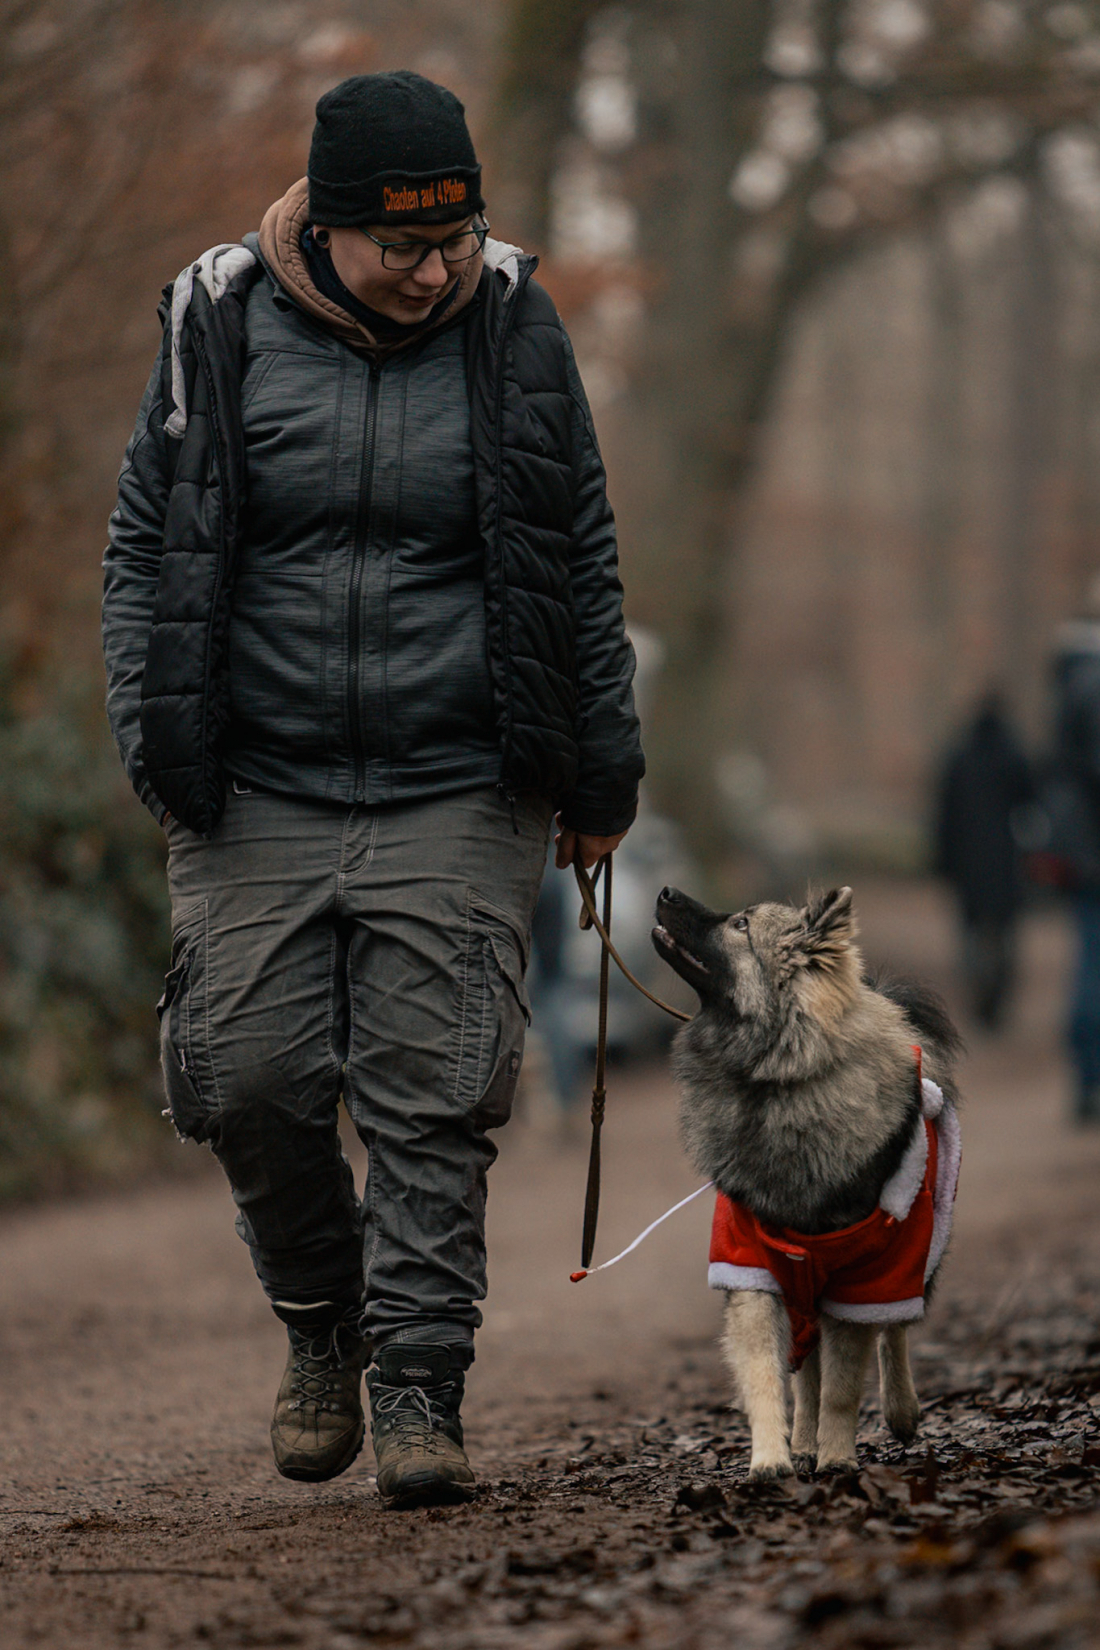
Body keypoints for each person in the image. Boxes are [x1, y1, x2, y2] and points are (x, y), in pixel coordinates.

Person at [102, 71, 644, 1509]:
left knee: (432, 1083)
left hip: (461, 772)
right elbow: (143, 547)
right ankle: (322, 1322)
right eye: (404, 244)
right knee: (248, 1078)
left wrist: (600, 768)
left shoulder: (519, 327)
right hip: (255, 774)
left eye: (456, 235)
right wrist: (153, 739)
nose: (436, 266)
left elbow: (577, 552)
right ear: (327, 229)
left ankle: (418, 1378)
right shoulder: (213, 323)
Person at [933, 692, 1033, 1029]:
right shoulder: (1014, 756)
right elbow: (1030, 803)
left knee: (971, 932)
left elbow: (944, 815)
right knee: (1004, 935)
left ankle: (979, 995)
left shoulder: (960, 757)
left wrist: (943, 861)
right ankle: (996, 1000)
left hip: (968, 863)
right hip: (1005, 861)